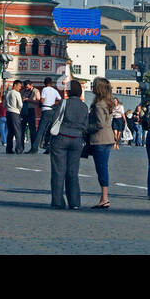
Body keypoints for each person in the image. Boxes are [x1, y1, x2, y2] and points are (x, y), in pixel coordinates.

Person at [48, 79, 89, 209]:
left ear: (68, 91)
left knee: (58, 171)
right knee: (73, 171)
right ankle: (75, 202)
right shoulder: (84, 106)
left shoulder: (63, 103)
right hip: (77, 140)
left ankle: (58, 201)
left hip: (61, 138)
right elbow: (86, 126)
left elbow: (55, 119)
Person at [87, 78, 116, 209]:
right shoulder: (107, 102)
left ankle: (104, 198)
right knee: (103, 167)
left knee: (101, 168)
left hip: (100, 139)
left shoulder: (99, 105)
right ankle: (104, 197)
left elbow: (100, 124)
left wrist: (87, 128)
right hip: (108, 138)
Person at [32, 78, 60, 154]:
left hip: (45, 110)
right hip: (52, 111)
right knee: (50, 130)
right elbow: (59, 99)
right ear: (51, 83)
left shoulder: (44, 89)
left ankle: (35, 148)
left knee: (41, 130)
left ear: (45, 83)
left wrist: (41, 104)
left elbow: (42, 100)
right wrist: (54, 104)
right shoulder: (54, 90)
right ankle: (48, 148)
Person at [4, 80, 25, 154]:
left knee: (10, 132)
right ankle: (19, 149)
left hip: (8, 113)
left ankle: (9, 149)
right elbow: (20, 105)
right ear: (15, 85)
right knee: (18, 131)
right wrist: (19, 110)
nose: (20, 88)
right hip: (15, 113)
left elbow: (4, 104)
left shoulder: (8, 93)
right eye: (19, 86)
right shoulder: (16, 93)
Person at [20, 81, 39, 153]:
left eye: (27, 87)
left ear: (31, 85)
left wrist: (29, 100)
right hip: (24, 111)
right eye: (25, 87)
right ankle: (21, 147)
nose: (26, 88)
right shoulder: (23, 91)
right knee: (22, 130)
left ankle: (33, 148)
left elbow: (39, 101)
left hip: (31, 110)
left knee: (32, 130)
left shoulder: (36, 91)